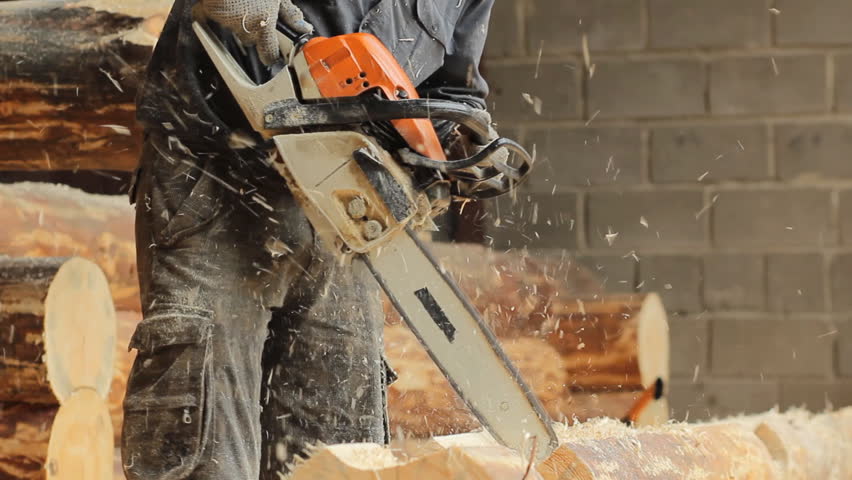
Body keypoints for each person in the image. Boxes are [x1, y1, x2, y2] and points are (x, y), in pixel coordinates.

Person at [121, 1, 498, 479]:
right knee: (206, 436)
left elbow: (453, 86)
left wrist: (454, 146)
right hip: (218, 176)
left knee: (335, 446)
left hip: (347, 199)